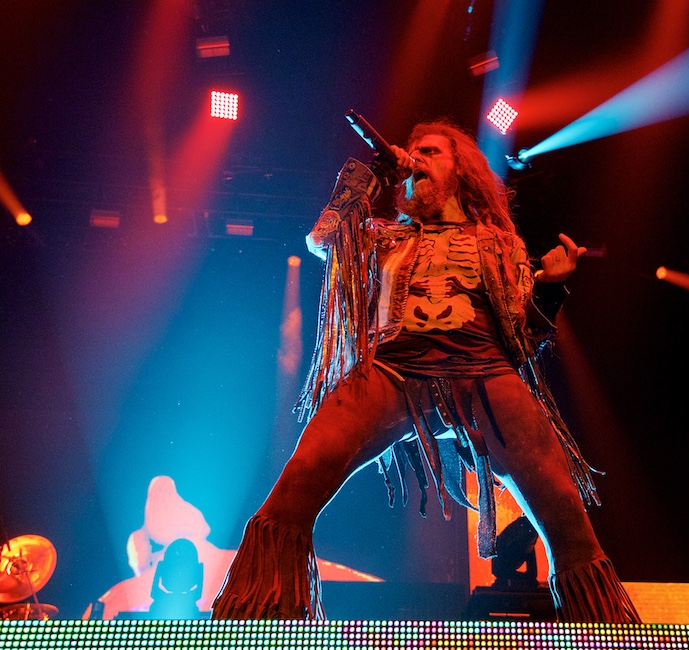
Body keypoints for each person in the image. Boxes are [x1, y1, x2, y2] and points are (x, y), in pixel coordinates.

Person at [210, 118, 641, 623]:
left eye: (430, 152)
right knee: (300, 478)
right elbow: (323, 239)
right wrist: (376, 171)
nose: (416, 161)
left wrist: (550, 288)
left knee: (565, 511)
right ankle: (259, 619)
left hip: (484, 371)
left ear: (460, 169)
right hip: (393, 369)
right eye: (411, 155)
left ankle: (604, 629)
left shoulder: (500, 244)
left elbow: (522, 343)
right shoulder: (384, 237)